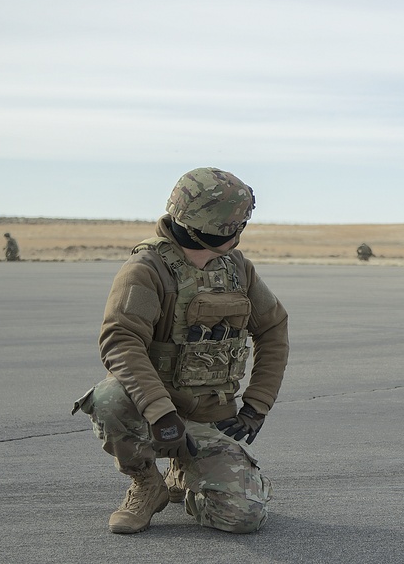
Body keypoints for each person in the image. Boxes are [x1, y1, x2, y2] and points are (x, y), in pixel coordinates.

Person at [73, 167, 289, 535]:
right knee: (109, 398)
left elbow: (272, 328)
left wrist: (257, 403)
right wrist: (159, 411)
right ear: (216, 226)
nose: (241, 230)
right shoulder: (146, 270)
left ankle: (186, 475)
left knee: (244, 516)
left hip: (211, 418)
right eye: (236, 223)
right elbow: (120, 341)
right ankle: (146, 483)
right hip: (152, 414)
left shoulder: (238, 270)